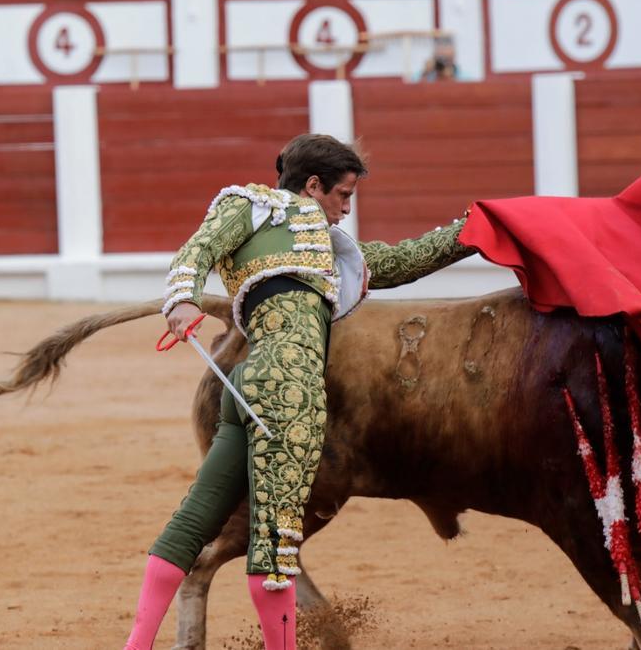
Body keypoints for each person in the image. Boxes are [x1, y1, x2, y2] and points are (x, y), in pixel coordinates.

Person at [125, 134, 472, 650]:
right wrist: (180, 297)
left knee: (195, 520)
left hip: (242, 383)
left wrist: (471, 233)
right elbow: (194, 255)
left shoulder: (280, 227)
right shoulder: (260, 207)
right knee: (275, 549)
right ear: (314, 186)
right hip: (292, 389)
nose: (346, 210)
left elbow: (404, 260)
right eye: (343, 196)